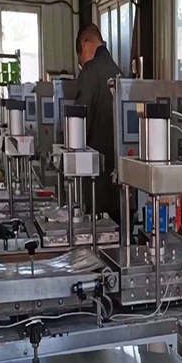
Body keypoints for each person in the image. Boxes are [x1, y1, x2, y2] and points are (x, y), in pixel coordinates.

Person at [74, 23, 121, 223]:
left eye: (80, 59)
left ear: (85, 44)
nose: (81, 64)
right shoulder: (119, 72)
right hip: (120, 184)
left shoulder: (90, 72)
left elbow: (78, 128)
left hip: (96, 186)